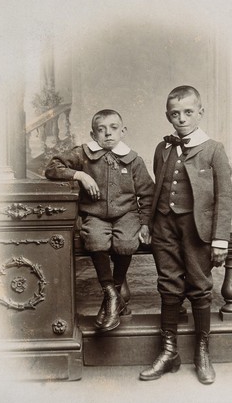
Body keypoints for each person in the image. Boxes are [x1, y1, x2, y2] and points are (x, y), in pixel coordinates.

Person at [139, 86, 232, 384]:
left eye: (188, 112)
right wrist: (149, 223)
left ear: (200, 113)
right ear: (168, 116)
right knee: (168, 285)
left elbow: (225, 197)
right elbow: (156, 188)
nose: (181, 118)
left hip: (197, 231)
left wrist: (220, 239)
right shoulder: (162, 148)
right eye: (175, 113)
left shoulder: (214, 148)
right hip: (164, 227)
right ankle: (169, 353)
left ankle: (201, 354)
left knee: (199, 285)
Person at [45, 109, 153, 332]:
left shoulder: (133, 160)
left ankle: (111, 299)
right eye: (101, 130)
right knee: (95, 239)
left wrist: (144, 223)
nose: (108, 134)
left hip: (127, 214)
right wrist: (80, 175)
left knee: (126, 243)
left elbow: (148, 194)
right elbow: (52, 167)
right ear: (93, 134)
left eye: (114, 128)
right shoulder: (84, 154)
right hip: (94, 214)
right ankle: (112, 294)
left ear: (123, 131)